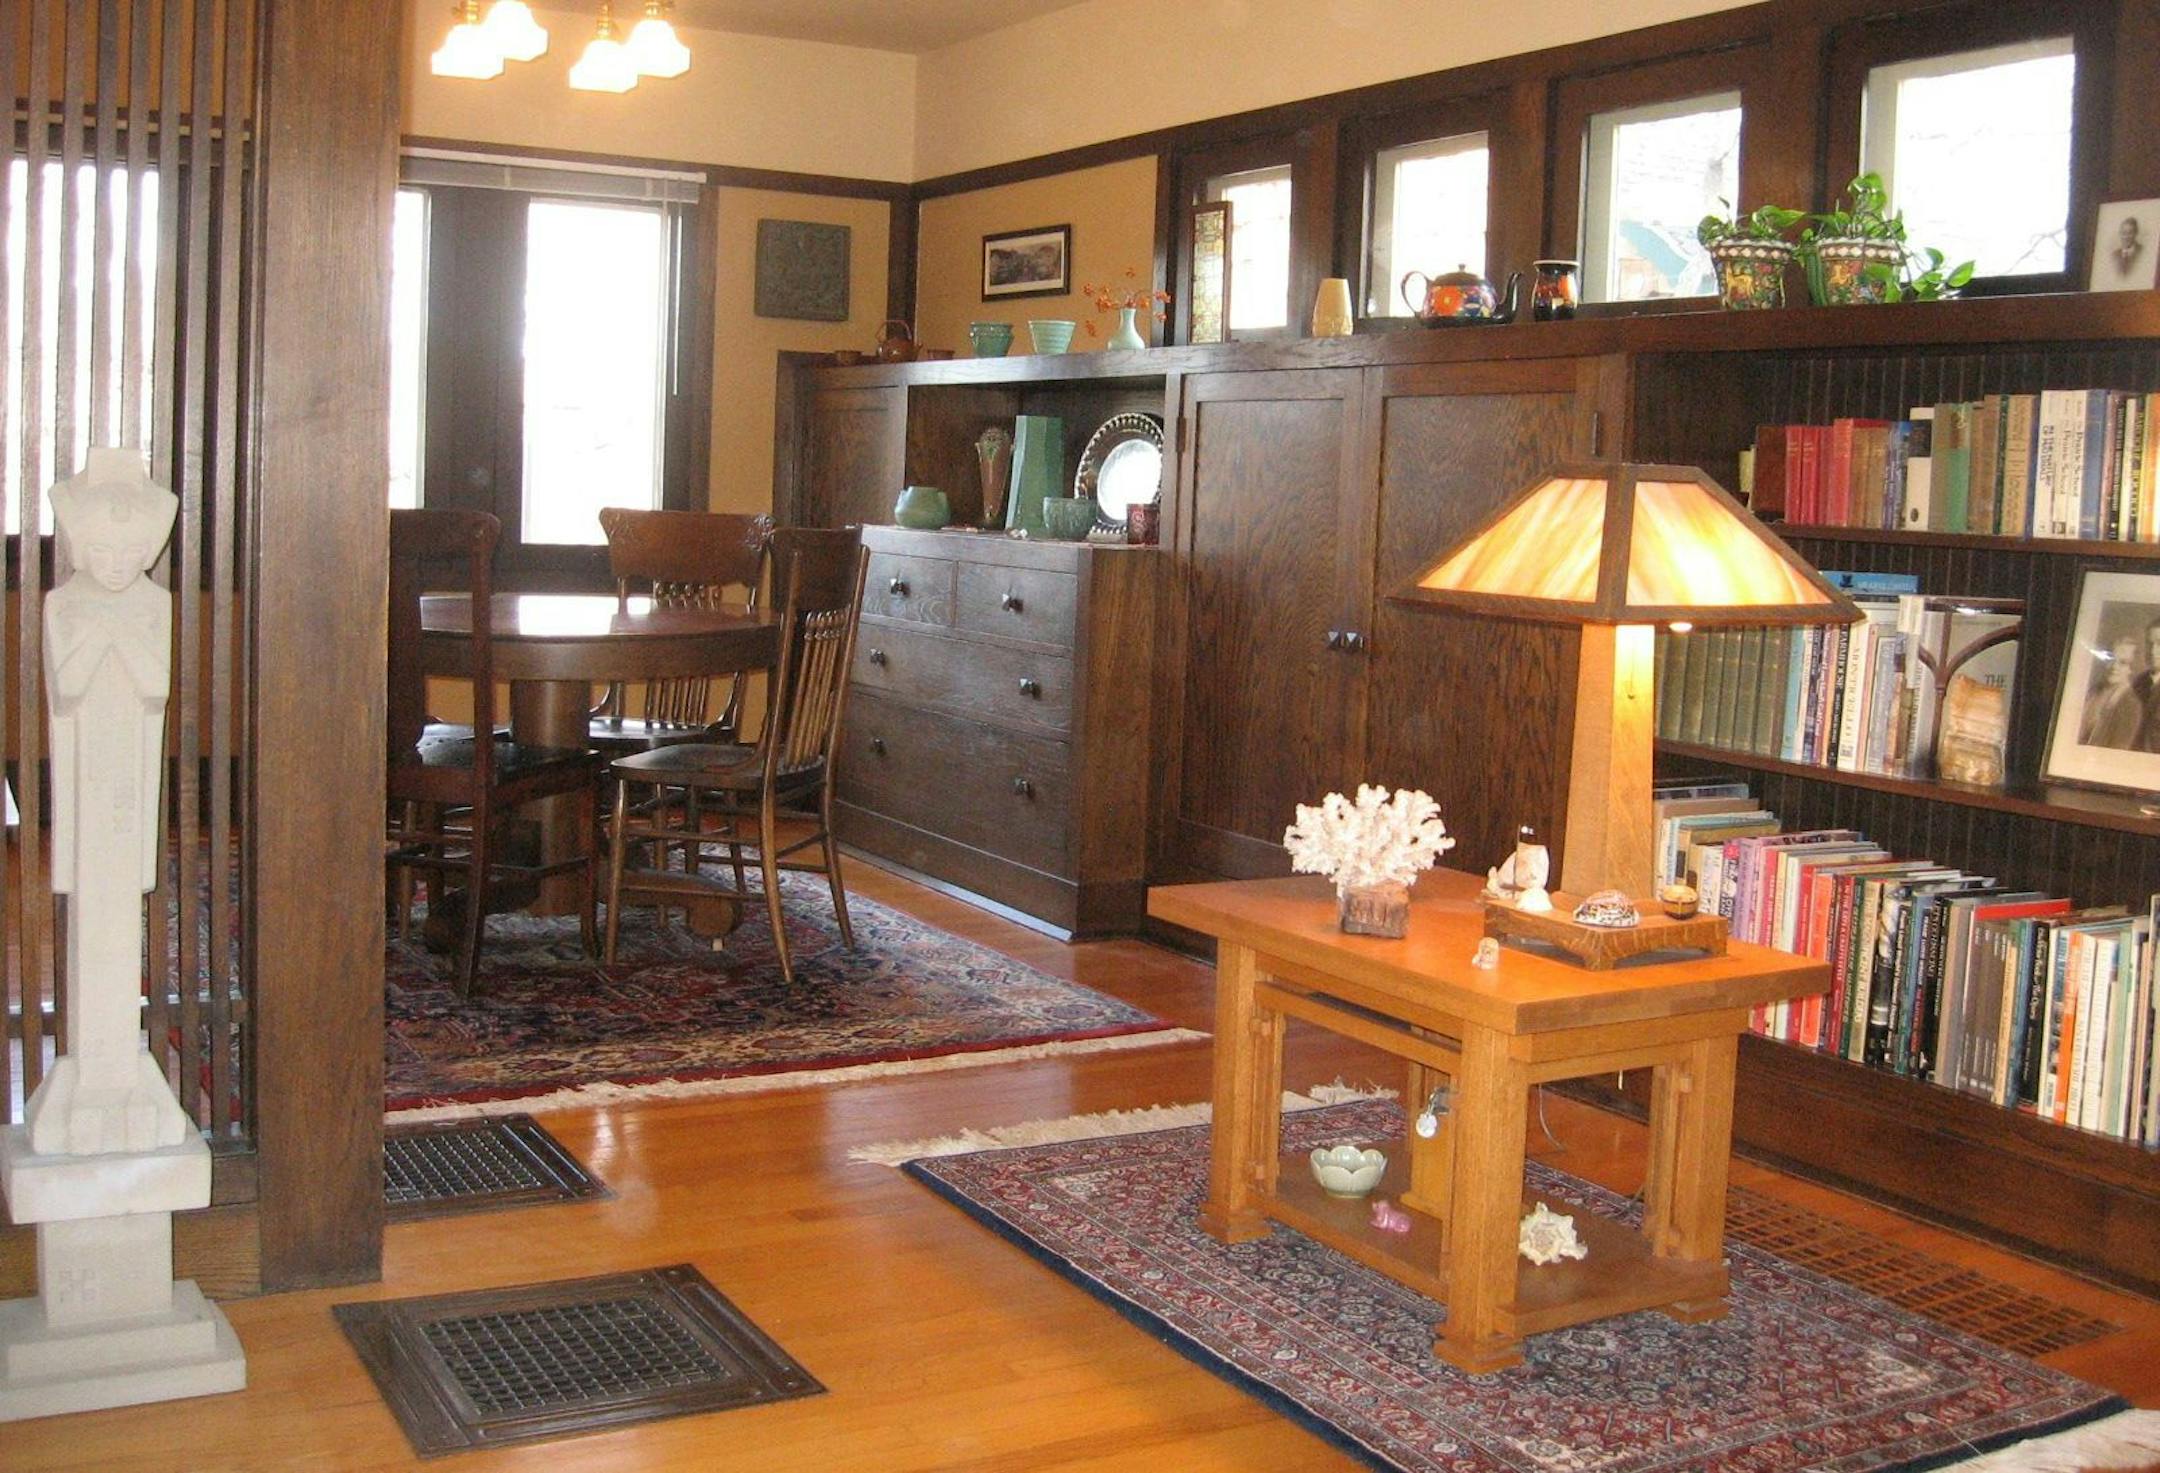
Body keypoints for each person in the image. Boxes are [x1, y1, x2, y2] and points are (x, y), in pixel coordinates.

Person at [2081, 634, 2145, 748]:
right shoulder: (2093, 692)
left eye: (2123, 663)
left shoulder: (2131, 705)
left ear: (2131, 669)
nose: (2114, 666)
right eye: (2111, 659)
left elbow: (2118, 750)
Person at [2114, 215, 2147, 282]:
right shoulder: (2114, 255)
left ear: (2136, 233)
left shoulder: (2144, 252)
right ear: (2120, 234)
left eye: (2130, 233)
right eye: (2124, 233)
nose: (2126, 237)